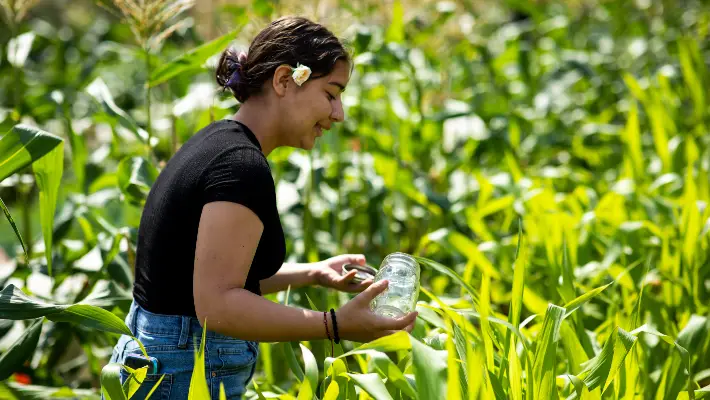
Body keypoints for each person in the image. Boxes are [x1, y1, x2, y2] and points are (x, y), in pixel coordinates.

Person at [106, 16, 418, 400]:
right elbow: (216, 305)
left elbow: (205, 277)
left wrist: (312, 274)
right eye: (331, 94)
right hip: (184, 376)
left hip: (162, 367)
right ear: (284, 80)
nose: (339, 114)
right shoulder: (240, 168)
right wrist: (334, 324)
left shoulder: (216, 142)